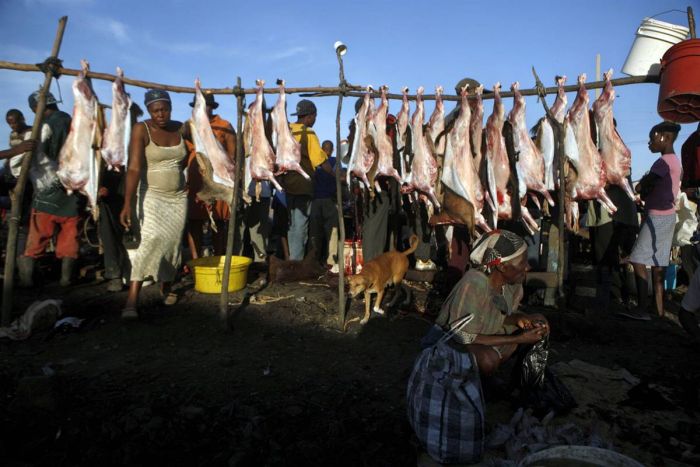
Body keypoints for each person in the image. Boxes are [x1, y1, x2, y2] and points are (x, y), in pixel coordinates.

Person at [424, 230, 549, 375]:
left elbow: (495, 318)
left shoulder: (512, 285)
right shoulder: (475, 283)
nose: (527, 267)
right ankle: (479, 383)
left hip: (480, 337)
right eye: (522, 262)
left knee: (539, 322)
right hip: (449, 343)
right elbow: (463, 336)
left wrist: (519, 319)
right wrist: (518, 338)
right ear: (502, 266)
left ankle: (487, 379)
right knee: (488, 359)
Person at [119, 89, 188, 319]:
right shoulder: (142, 129)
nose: (161, 114)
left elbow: (190, 157)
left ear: (170, 107)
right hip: (152, 195)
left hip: (178, 198)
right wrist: (127, 203)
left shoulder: (180, 127)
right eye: (156, 110)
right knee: (150, 241)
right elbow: (135, 168)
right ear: (149, 110)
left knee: (173, 243)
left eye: (165, 108)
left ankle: (166, 286)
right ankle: (132, 299)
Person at [619, 121, 682, 320]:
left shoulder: (662, 162)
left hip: (657, 216)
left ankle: (642, 309)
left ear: (664, 137)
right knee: (658, 265)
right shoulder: (674, 160)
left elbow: (641, 188)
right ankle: (660, 310)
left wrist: (643, 188)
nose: (649, 143)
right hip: (668, 215)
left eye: (652, 138)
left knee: (637, 259)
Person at [18, 91, 80, 288]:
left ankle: (28, 283)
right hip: (71, 188)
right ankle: (65, 280)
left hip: (46, 191)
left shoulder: (40, 129)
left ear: (35, 108)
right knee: (69, 237)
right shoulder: (72, 122)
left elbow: (18, 165)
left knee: (37, 238)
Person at [184, 92, 236, 258]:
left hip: (218, 180)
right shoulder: (189, 126)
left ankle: (219, 257)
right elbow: (183, 155)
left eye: (205, 106)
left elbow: (233, 156)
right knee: (195, 221)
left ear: (212, 107)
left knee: (219, 221)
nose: (202, 109)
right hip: (196, 181)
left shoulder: (224, 125)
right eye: (199, 106)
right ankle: (196, 261)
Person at [97, 103, 143, 292]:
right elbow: (96, 162)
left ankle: (136, 272)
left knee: (136, 234)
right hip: (111, 193)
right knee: (110, 234)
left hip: (135, 191)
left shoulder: (140, 135)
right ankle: (115, 274)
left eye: (131, 116)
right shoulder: (108, 136)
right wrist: (98, 187)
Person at [280, 99, 334, 260]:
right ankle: (296, 263)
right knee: (301, 226)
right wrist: (336, 175)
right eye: (315, 116)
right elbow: (320, 161)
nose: (315, 120)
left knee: (292, 225)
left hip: (287, 185)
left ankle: (292, 260)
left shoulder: (287, 130)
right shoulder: (308, 133)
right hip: (303, 186)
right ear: (309, 116)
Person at [309, 140, 339, 268]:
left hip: (315, 200)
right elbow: (340, 177)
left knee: (315, 232)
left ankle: (314, 259)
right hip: (329, 201)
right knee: (332, 232)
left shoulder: (314, 162)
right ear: (332, 150)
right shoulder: (335, 162)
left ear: (321, 149)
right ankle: (331, 261)